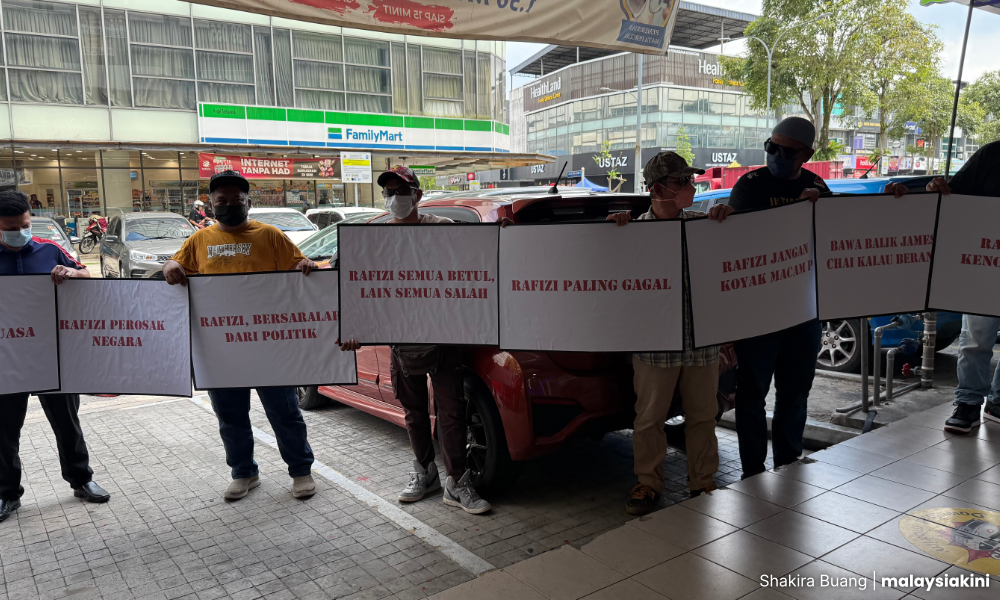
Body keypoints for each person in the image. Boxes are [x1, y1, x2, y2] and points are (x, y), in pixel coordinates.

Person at [339, 167, 491, 515]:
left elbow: (478, 261)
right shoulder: (374, 240)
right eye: (388, 192)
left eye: (401, 191)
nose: (394, 198)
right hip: (402, 342)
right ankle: (425, 473)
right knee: (414, 412)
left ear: (418, 195)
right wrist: (353, 329)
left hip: (444, 339)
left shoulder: (443, 229)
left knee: (451, 412)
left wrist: (505, 240)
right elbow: (357, 286)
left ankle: (457, 483)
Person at [162, 170, 320, 501]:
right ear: (211, 204)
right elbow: (175, 269)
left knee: (285, 412)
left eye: (237, 199)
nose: (230, 205)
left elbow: (297, 267)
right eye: (222, 200)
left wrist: (304, 266)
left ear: (248, 203)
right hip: (220, 350)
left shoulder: (270, 235)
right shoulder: (199, 241)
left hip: (269, 345)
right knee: (230, 416)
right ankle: (244, 473)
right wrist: (169, 267)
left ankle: (301, 471)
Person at [605, 152, 726, 514]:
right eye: (681, 181)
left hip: (701, 341)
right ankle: (648, 482)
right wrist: (611, 236)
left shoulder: (705, 226)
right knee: (649, 419)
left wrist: (729, 221)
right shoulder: (632, 233)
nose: (690, 187)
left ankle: (703, 481)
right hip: (654, 345)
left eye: (690, 180)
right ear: (657, 189)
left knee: (703, 416)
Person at [709, 117, 830, 478]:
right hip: (758, 315)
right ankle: (752, 471)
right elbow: (739, 244)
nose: (776, 155)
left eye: (787, 152)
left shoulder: (817, 188)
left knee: (795, 395)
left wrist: (820, 210)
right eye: (771, 147)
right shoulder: (750, 185)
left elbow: (836, 239)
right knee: (752, 396)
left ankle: (788, 464)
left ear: (807, 155)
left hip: (803, 314)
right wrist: (726, 220)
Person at [0, 190, 110, 523]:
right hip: (7, 359)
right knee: (4, 430)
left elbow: (87, 276)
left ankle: (81, 479)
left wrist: (73, 274)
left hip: (54, 354)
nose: (19, 232)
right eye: (10, 229)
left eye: (24, 225)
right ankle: (7, 493)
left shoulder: (51, 250)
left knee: (67, 422)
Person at [885, 141, 1000, 433]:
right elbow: (950, 194)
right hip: (983, 266)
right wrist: (932, 190)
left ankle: (998, 401)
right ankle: (969, 402)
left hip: (983, 261)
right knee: (976, 338)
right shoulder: (992, 154)